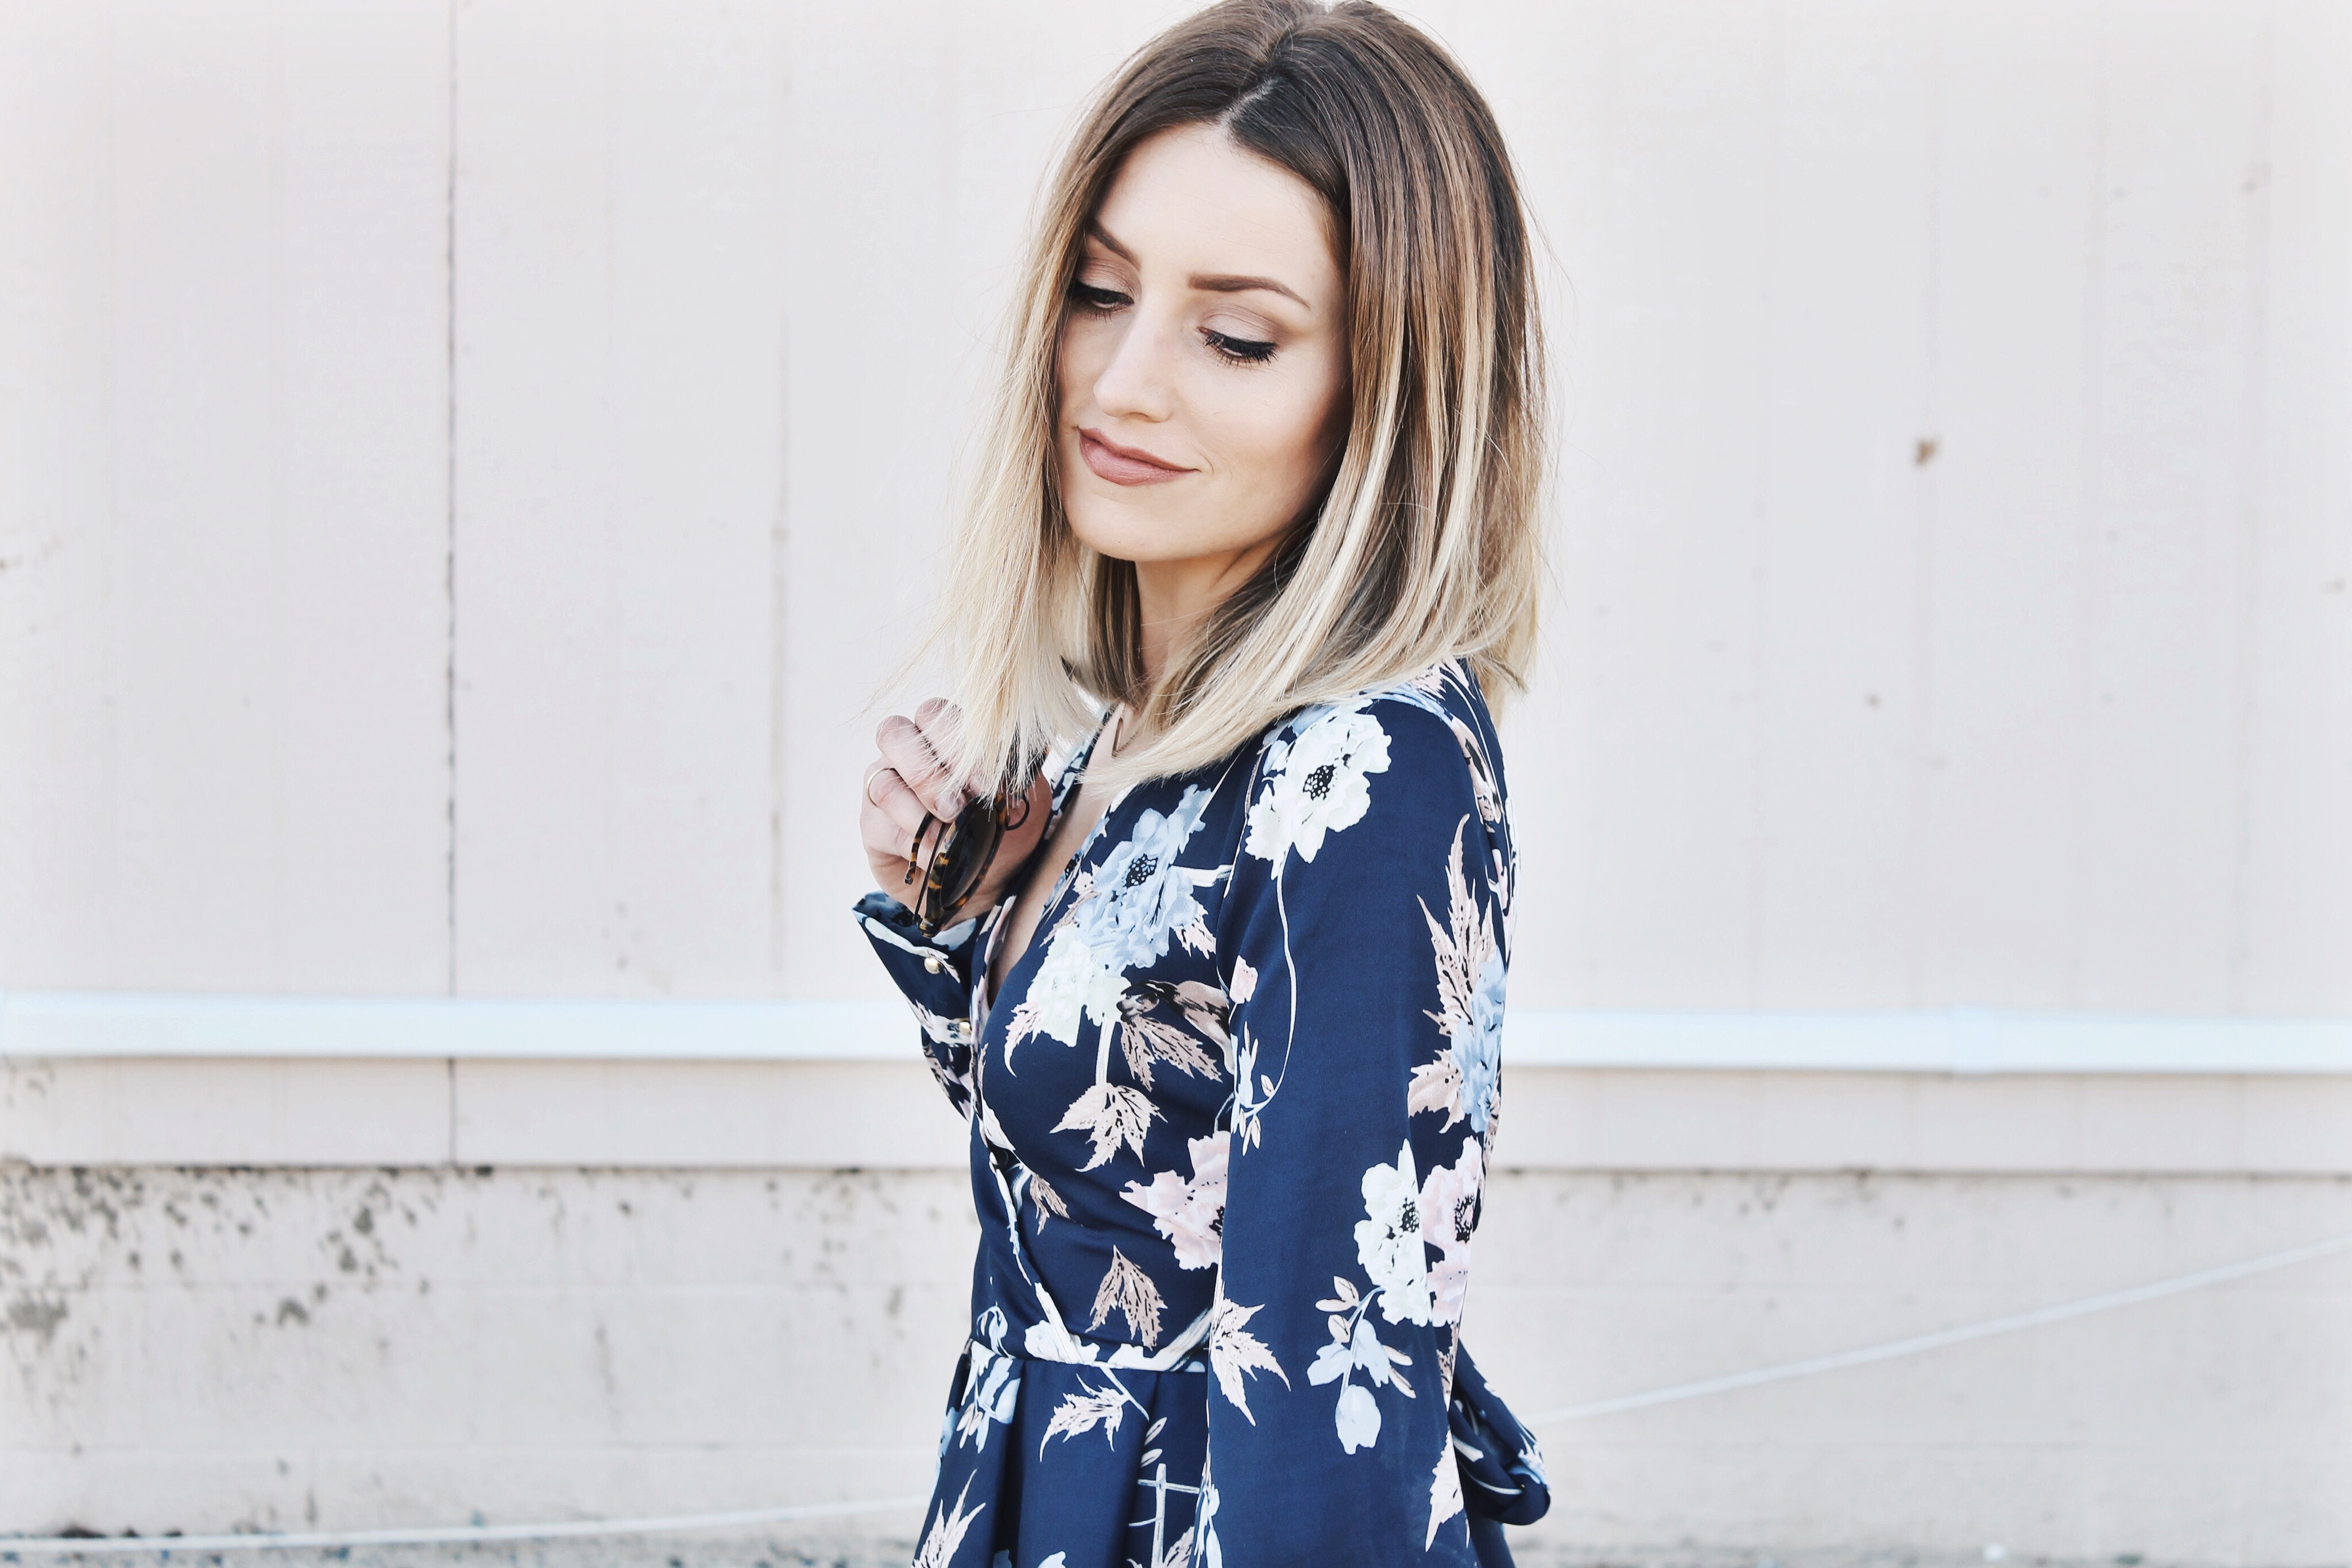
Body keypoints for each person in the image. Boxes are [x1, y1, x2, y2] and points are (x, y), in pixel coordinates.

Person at [852, 3, 1549, 1563]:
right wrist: (967, 920)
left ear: (1389, 390)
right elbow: (1119, 1191)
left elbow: (1333, 1376)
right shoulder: (1136, 727)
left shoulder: (1365, 768)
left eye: (1236, 336)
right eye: (1101, 293)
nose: (1122, 382)